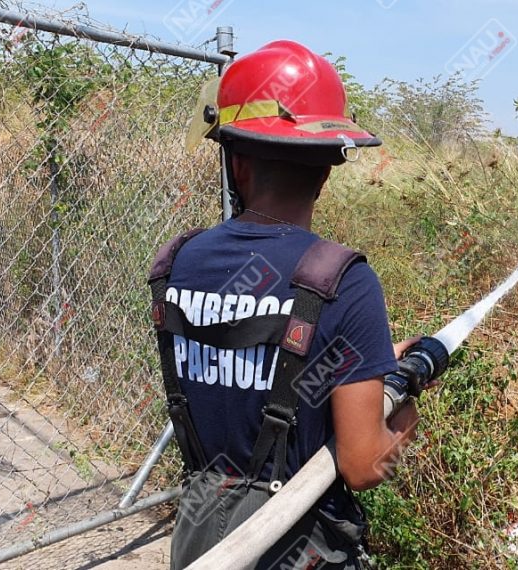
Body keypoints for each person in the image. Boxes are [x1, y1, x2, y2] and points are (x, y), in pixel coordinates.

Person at [149, 40, 418, 569]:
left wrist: (366, 368)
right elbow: (365, 466)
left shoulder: (175, 262)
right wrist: (404, 402)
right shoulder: (345, 282)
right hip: (296, 550)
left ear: (236, 162)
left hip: (200, 541)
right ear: (328, 168)